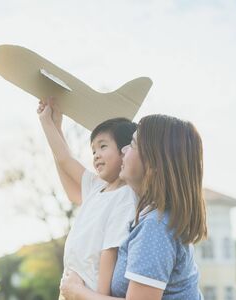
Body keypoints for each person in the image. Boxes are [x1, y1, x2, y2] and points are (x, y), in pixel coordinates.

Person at [60, 114, 208, 300]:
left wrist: (77, 292)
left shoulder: (156, 227)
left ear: (153, 163)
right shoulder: (150, 219)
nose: (123, 149)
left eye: (132, 144)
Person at [37, 98, 137, 296]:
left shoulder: (126, 197)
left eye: (103, 146)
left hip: (88, 290)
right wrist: (51, 124)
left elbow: (110, 252)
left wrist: (98, 296)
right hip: (70, 285)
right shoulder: (96, 186)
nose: (96, 155)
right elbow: (65, 159)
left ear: (126, 151)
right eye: (93, 150)